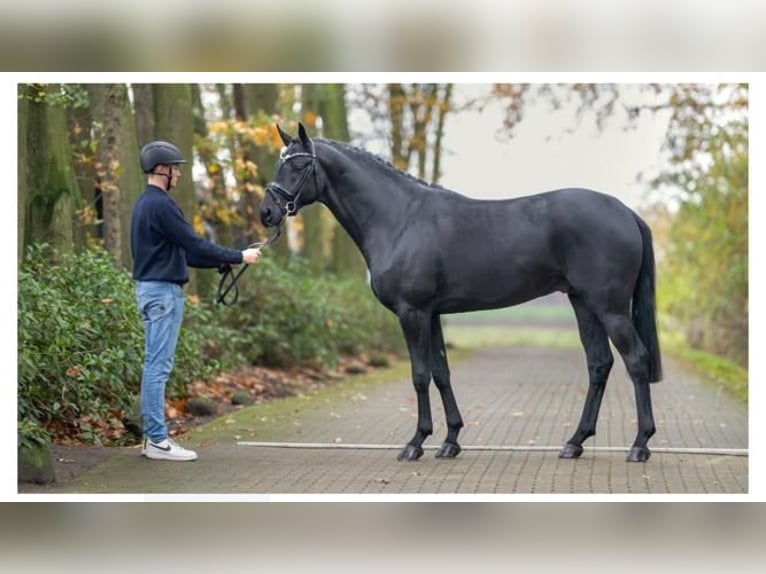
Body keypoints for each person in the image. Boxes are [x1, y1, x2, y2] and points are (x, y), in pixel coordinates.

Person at [131, 140, 262, 462]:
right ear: (162, 170)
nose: (178, 174)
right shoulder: (161, 205)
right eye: (175, 168)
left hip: (152, 290)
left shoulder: (144, 204)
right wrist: (239, 255)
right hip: (163, 294)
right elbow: (195, 243)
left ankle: (154, 439)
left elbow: (183, 252)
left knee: (155, 366)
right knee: (158, 368)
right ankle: (157, 441)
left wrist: (222, 262)